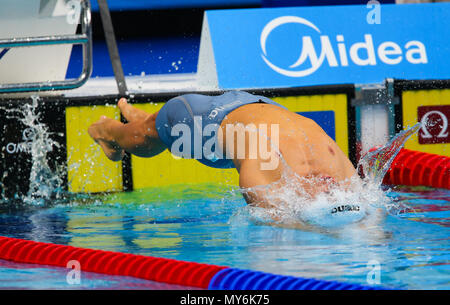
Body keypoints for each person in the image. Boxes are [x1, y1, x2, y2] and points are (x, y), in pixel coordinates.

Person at [88, 91, 356, 210]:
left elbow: (371, 213)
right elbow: (274, 226)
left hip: (254, 106)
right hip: (199, 120)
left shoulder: (331, 159)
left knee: (151, 129)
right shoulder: (262, 160)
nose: (329, 192)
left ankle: (143, 120)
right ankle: (106, 130)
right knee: (144, 144)